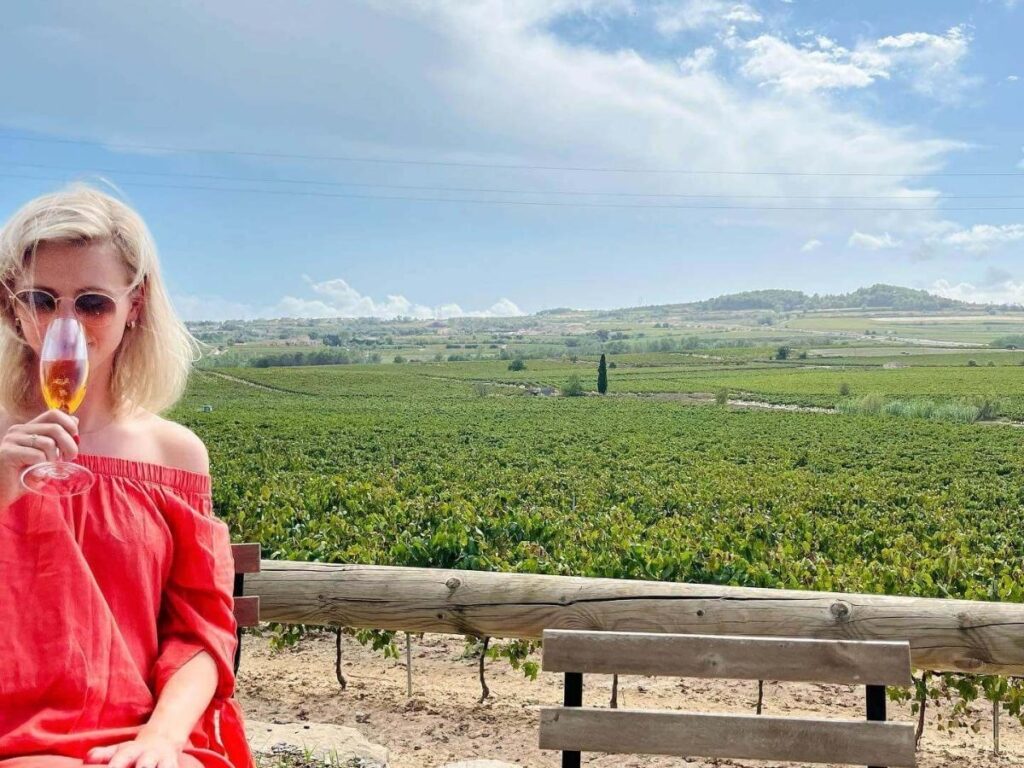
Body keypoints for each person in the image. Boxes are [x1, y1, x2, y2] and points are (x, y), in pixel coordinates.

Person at [0, 185, 254, 768]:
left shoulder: (174, 455)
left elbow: (200, 632)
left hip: (143, 732)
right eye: (42, 300)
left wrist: (161, 740)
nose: (66, 324)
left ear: (134, 305)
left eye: (91, 303)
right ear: (13, 306)